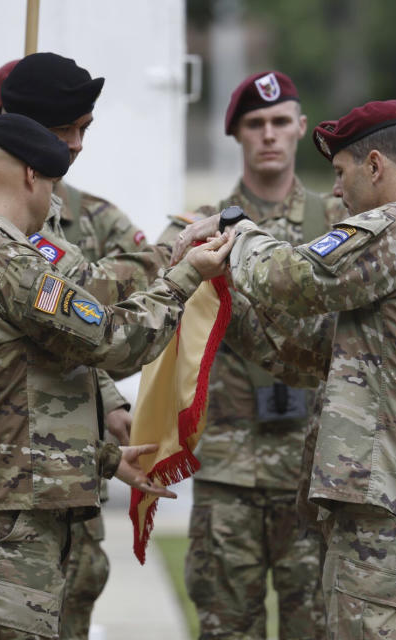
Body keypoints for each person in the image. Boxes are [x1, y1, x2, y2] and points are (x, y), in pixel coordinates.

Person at [0, 113, 232, 639]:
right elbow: (111, 341)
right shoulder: (0, 258)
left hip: (2, 509)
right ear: (32, 177)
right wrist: (185, 276)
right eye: (54, 183)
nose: (55, 199)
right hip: (1, 522)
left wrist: (102, 459)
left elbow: (9, 395)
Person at [176, 100, 396, 639]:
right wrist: (217, 295)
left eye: (341, 174)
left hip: (392, 505)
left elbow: (293, 277)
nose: (336, 191)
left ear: (376, 166)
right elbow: (315, 350)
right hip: (394, 502)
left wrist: (233, 227)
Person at [0, 54, 151, 639]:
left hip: (56, 464)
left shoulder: (76, 209)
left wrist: (108, 428)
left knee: (71, 600)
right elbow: (91, 312)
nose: (77, 146)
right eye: (69, 131)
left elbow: (107, 288)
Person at [158, 70, 343, 639]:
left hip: (316, 474)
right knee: (226, 629)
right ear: (235, 133)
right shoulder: (194, 232)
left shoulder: (339, 224)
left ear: (301, 130)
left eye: (280, 122)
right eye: (255, 123)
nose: (269, 134)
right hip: (228, 470)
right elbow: (156, 313)